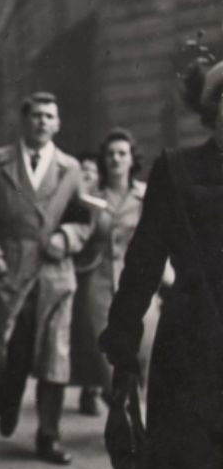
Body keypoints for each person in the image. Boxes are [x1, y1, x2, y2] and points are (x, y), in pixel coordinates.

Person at [100, 52, 223, 469]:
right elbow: (145, 259)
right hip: (197, 333)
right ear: (211, 110)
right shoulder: (176, 168)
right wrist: (122, 338)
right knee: (204, 452)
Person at [0, 91, 92, 464]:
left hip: (54, 274)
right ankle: (6, 401)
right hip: (10, 269)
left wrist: (66, 238)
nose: (42, 122)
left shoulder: (71, 168)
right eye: (36, 115)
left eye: (50, 116)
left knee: (55, 353)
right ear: (24, 120)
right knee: (10, 349)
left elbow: (85, 219)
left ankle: (48, 435)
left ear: (58, 124)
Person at [72, 130, 161, 416]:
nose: (115, 159)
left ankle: (135, 413)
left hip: (139, 281)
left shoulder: (146, 195)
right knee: (107, 355)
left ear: (132, 158)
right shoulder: (91, 198)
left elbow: (160, 237)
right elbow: (79, 235)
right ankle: (124, 417)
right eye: (110, 154)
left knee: (144, 349)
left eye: (122, 153)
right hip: (98, 280)